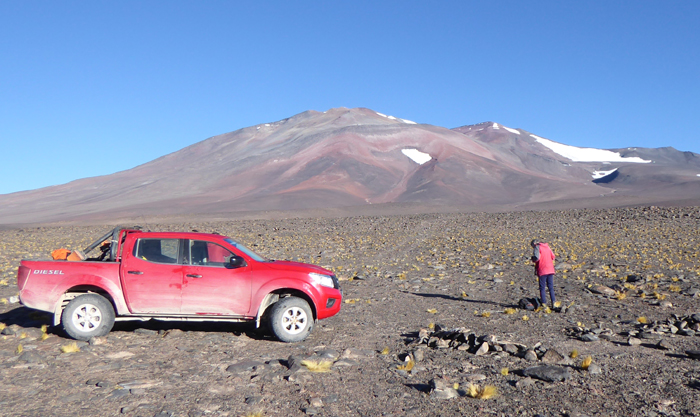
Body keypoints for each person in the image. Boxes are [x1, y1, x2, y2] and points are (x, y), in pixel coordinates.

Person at [531, 239, 556, 308]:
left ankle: (544, 303)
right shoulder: (547, 247)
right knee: (551, 287)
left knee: (542, 287)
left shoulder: (537, 247)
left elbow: (537, 258)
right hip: (550, 269)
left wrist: (532, 259)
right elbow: (553, 256)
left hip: (542, 269)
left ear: (534, 243)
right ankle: (554, 303)